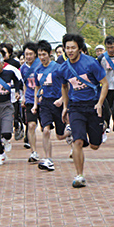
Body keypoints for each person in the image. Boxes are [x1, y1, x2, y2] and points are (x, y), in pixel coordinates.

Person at [60, 34, 108, 188]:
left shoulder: (91, 63)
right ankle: (79, 175)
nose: (70, 51)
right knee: (78, 141)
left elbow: (104, 84)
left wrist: (100, 103)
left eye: (73, 47)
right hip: (76, 108)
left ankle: (101, 126)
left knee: (95, 145)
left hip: (93, 106)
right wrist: (65, 107)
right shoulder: (64, 68)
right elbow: (64, 86)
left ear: (79, 48)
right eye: (67, 48)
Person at [31, 40, 69, 171]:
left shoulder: (58, 68)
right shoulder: (37, 70)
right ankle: (48, 159)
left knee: (60, 135)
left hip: (57, 103)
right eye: (39, 55)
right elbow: (36, 87)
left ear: (50, 54)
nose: (42, 57)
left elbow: (66, 86)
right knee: (45, 130)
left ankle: (70, 132)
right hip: (45, 103)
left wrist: (61, 100)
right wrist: (36, 104)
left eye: (44, 54)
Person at [20, 42, 41, 163]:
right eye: (26, 54)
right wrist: (23, 97)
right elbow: (25, 83)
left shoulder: (41, 65)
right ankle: (34, 152)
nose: (28, 56)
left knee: (47, 128)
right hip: (29, 99)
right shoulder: (23, 68)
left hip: (42, 99)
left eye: (30, 54)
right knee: (31, 125)